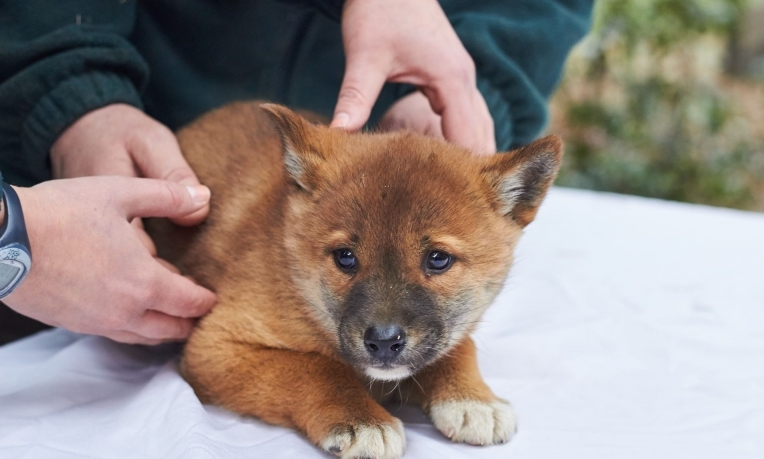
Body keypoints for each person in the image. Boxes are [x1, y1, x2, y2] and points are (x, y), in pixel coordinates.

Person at [0, 0, 593, 344]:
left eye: (437, 261)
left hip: (394, 112)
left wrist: (472, 87)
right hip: (76, 179)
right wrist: (69, 97)